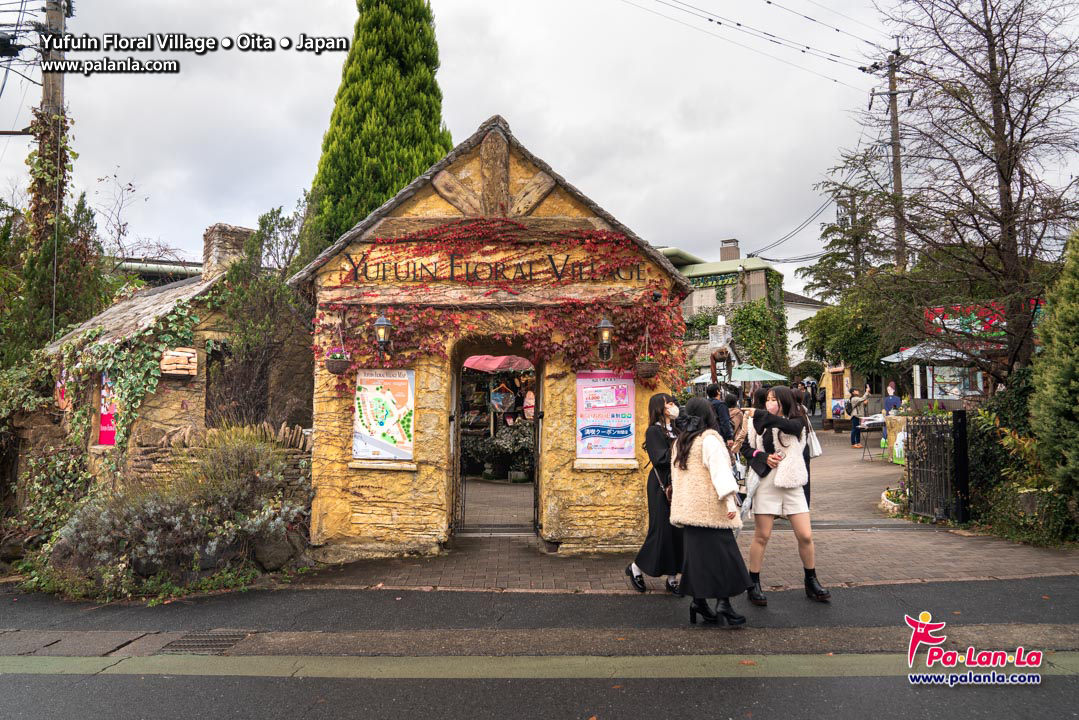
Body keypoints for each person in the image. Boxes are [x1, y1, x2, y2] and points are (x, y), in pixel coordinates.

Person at [742, 385, 831, 606]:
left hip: (792, 483)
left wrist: (762, 414)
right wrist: (762, 457)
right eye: (767, 400)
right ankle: (753, 583)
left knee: (806, 535)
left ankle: (811, 579)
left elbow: (789, 426)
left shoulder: (798, 419)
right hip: (766, 482)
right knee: (762, 536)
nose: (769, 404)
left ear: (784, 401)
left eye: (774, 400)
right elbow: (746, 449)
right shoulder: (756, 423)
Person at [669, 397, 751, 627]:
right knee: (725, 558)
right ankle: (723, 604)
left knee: (697, 560)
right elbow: (721, 474)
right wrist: (729, 504)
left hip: (689, 510)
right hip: (711, 509)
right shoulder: (709, 440)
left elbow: (676, 478)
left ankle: (699, 602)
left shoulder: (680, 442)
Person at [626, 394, 684, 594]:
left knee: (677, 530)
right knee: (660, 530)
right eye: (669, 404)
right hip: (661, 485)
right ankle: (636, 567)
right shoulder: (653, 431)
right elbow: (661, 459)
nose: (673, 406)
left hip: (679, 483)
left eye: (673, 403)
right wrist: (681, 447)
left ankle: (672, 577)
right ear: (660, 407)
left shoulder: (677, 428)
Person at [849, 384, 871, 448]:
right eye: (856, 390)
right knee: (854, 429)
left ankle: (858, 442)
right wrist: (866, 392)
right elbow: (863, 398)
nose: (858, 391)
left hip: (858, 416)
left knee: (858, 430)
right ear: (853, 392)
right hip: (855, 416)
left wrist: (865, 403)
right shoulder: (853, 399)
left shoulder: (857, 398)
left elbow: (863, 403)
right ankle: (853, 443)